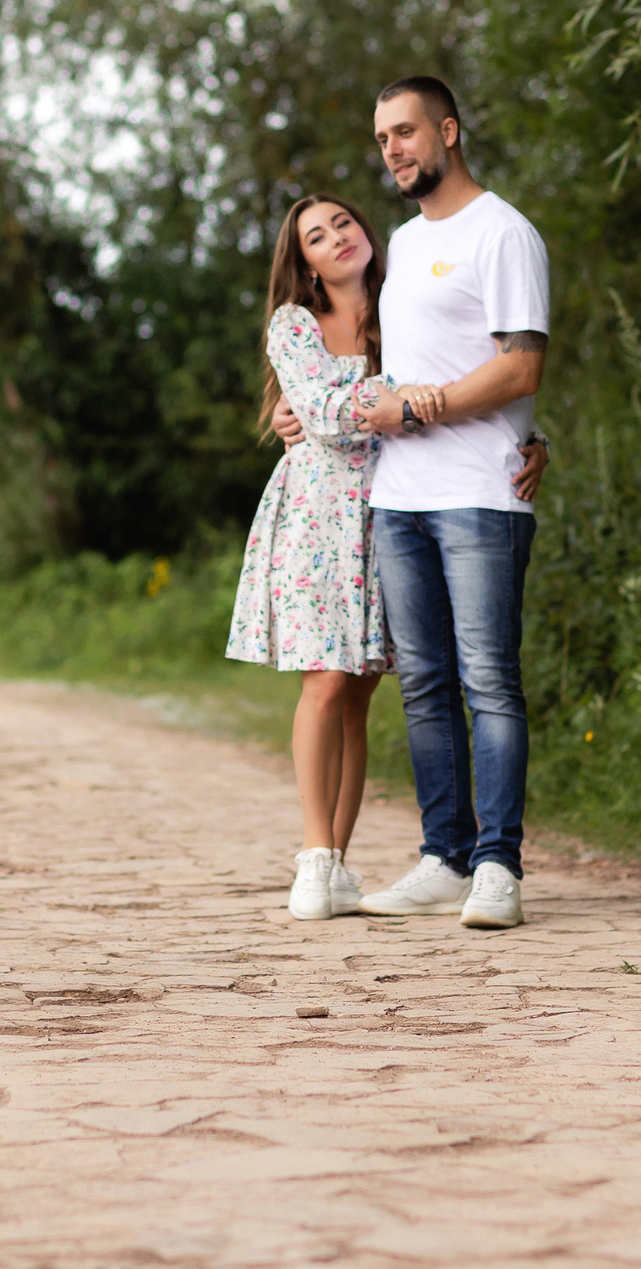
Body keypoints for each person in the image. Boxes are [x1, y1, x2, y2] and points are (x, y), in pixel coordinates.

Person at [274, 77, 552, 930]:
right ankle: (443, 856)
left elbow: (518, 367)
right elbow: (391, 367)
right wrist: (320, 411)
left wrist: (508, 430)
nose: (393, 149)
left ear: (449, 130)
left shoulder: (503, 231)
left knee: (489, 682)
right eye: (383, 138)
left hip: (477, 497)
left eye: (406, 132)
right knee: (424, 687)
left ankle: (497, 866)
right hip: (393, 499)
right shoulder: (400, 245)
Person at [225, 195, 448, 921]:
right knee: (323, 682)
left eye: (342, 223)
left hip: (393, 509)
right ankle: (313, 858)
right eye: (315, 237)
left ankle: (341, 868)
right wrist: (404, 398)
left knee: (358, 693)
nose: (335, 238)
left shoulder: (406, 311)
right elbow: (321, 414)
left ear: (364, 232)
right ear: (307, 264)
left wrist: (408, 399)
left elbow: (460, 375)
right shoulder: (294, 325)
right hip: (318, 518)